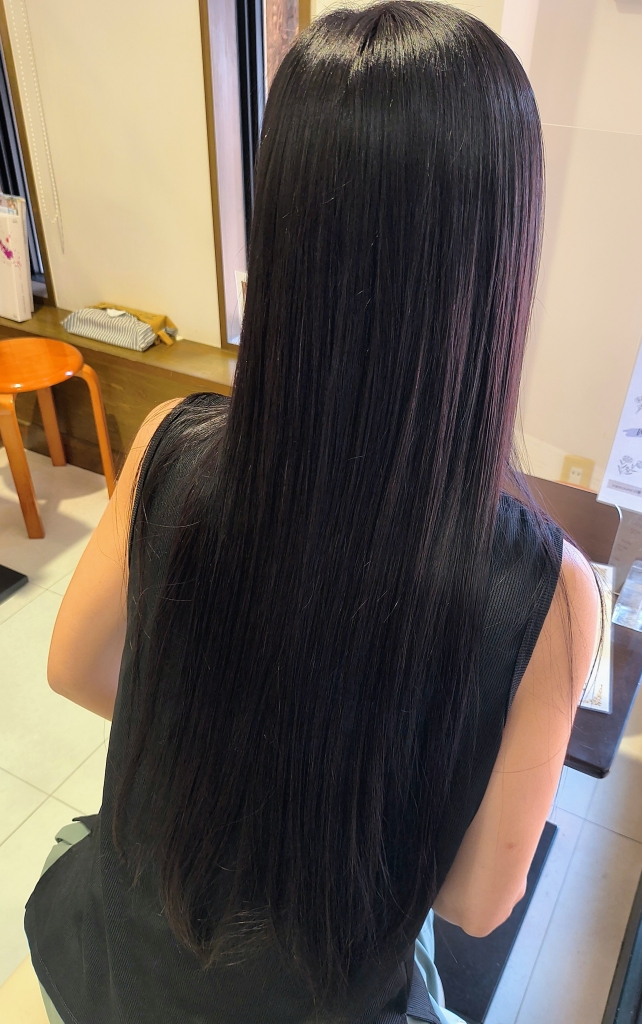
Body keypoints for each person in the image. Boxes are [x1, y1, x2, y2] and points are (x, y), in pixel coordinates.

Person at [25, 3, 600, 1023]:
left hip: (115, 976)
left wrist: (223, 760)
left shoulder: (168, 446)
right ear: (498, 255)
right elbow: (476, 902)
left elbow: (73, 667)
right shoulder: (544, 590)